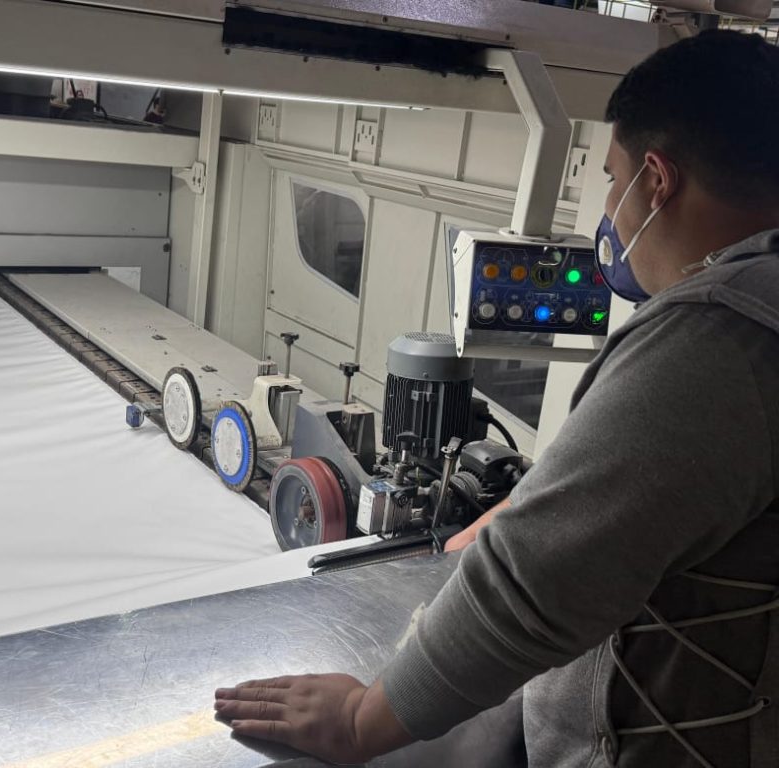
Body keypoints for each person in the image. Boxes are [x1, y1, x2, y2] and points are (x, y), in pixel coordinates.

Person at [215, 29, 779, 768]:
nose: (610, 208)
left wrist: (361, 720)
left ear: (656, 180)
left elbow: (534, 587)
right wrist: (546, 504)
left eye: (612, 181)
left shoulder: (717, 336)